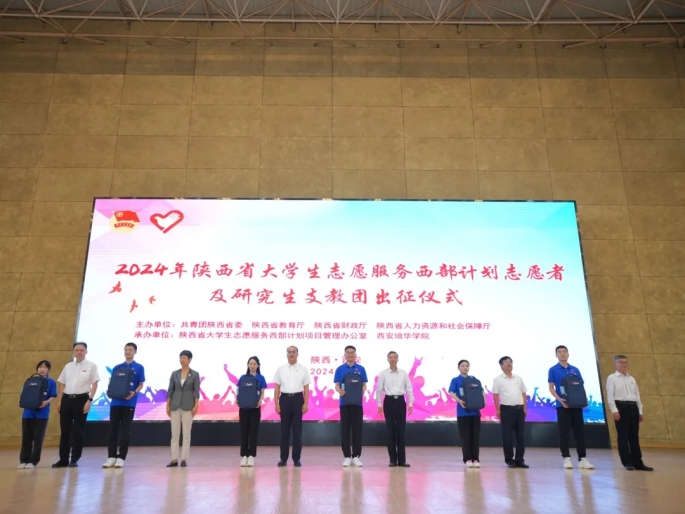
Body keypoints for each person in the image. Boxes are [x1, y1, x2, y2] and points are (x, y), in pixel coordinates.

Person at [53, 342, 100, 468]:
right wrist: (60, 401)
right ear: (73, 352)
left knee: (78, 431)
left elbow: (94, 384)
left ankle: (74, 458)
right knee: (65, 431)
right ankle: (63, 459)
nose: (79, 352)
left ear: (86, 352)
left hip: (82, 399)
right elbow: (62, 384)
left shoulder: (91, 366)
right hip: (67, 399)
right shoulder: (68, 366)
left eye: (82, 350)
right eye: (77, 350)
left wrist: (89, 400)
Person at [548, 345, 594, 470]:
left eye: (564, 352)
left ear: (568, 354)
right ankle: (566, 458)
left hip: (576, 405)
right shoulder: (553, 370)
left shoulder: (575, 369)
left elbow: (580, 386)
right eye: (559, 352)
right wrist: (560, 400)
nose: (562, 354)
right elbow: (551, 387)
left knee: (580, 433)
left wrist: (584, 399)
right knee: (564, 433)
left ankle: (582, 459)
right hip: (563, 406)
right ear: (556, 355)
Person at [606, 354, 653, 471]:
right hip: (621, 407)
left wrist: (640, 411)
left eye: (625, 362)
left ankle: (638, 463)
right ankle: (627, 462)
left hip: (633, 407)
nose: (624, 364)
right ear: (615, 364)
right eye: (621, 362)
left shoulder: (631, 379)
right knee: (623, 436)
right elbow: (610, 396)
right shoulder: (612, 378)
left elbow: (637, 396)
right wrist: (614, 410)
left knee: (634, 436)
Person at [103, 343, 146, 469]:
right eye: (126, 350)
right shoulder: (117, 367)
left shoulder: (139, 367)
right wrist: (110, 392)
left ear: (135, 352)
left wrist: (134, 393)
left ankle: (121, 457)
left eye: (130, 350)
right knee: (113, 430)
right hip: (115, 403)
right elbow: (113, 383)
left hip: (129, 403)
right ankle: (111, 457)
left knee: (125, 431)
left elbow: (140, 384)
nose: (128, 352)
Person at [273, 346, 311, 467]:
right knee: (284, 431)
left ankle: (296, 458)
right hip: (284, 399)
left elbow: (306, 388)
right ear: (286, 354)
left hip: (297, 399)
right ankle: (283, 458)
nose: (291, 354)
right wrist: (276, 403)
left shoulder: (303, 368)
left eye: (293, 352)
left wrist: (305, 403)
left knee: (297, 431)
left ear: (297, 354)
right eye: (289, 352)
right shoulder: (281, 369)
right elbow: (277, 387)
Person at [377, 351, 413, 468]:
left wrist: (410, 403)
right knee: (390, 431)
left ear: (397, 359)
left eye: (394, 357)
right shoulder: (383, 373)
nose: (392, 359)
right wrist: (379, 404)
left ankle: (402, 460)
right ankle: (392, 460)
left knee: (401, 431)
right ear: (388, 359)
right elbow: (379, 390)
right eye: (390, 357)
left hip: (401, 402)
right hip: (389, 402)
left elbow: (409, 389)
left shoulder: (403, 373)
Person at [19, 360, 57, 468]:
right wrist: (21, 401)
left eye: (45, 367)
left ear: (48, 369)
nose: (42, 369)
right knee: (26, 437)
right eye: (40, 367)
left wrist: (47, 402)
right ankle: (24, 460)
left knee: (38, 438)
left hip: (42, 414)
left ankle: (33, 461)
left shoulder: (51, 382)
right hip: (28, 413)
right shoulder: (29, 381)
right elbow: (23, 394)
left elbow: (53, 395)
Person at [334, 345, 368, 467]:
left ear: (355, 355)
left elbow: (364, 384)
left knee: (357, 430)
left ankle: (356, 456)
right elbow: (337, 385)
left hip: (357, 404)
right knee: (345, 430)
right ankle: (347, 457)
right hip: (344, 404)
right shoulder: (340, 369)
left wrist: (362, 390)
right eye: (348, 353)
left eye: (352, 353)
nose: (350, 355)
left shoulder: (361, 369)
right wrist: (339, 391)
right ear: (345, 355)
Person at [492, 356, 529, 469]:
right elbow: (495, 395)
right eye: (506, 362)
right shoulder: (498, 379)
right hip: (506, 410)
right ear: (501, 366)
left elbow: (523, 393)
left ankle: (519, 460)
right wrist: (498, 410)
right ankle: (509, 460)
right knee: (507, 436)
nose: (509, 364)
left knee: (521, 436)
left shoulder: (518, 378)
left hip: (519, 409)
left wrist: (524, 408)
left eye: (510, 362)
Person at [166, 350, 200, 468]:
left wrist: (196, 405)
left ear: (189, 359)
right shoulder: (174, 373)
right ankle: (174, 459)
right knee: (174, 433)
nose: (182, 360)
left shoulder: (194, 374)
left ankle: (184, 459)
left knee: (186, 434)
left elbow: (196, 392)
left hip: (188, 406)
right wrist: (168, 405)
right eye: (180, 358)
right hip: (175, 405)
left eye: (184, 358)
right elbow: (170, 390)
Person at [448, 359, 485, 468]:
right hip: (463, 413)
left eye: (467, 366)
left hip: (475, 412)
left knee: (475, 437)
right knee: (466, 437)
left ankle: (475, 458)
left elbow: (482, 391)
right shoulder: (455, 380)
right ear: (458, 368)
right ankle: (468, 458)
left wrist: (483, 401)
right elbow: (451, 392)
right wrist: (459, 401)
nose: (465, 367)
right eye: (463, 366)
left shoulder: (474, 379)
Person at [238, 356, 267, 467]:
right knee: (244, 432)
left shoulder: (261, 378)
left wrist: (261, 400)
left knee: (253, 432)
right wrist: (237, 399)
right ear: (248, 365)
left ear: (258, 365)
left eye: (254, 364)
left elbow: (262, 392)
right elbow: (238, 390)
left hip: (255, 408)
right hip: (243, 409)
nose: (252, 366)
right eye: (250, 363)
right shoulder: (243, 377)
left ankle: (251, 456)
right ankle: (244, 456)